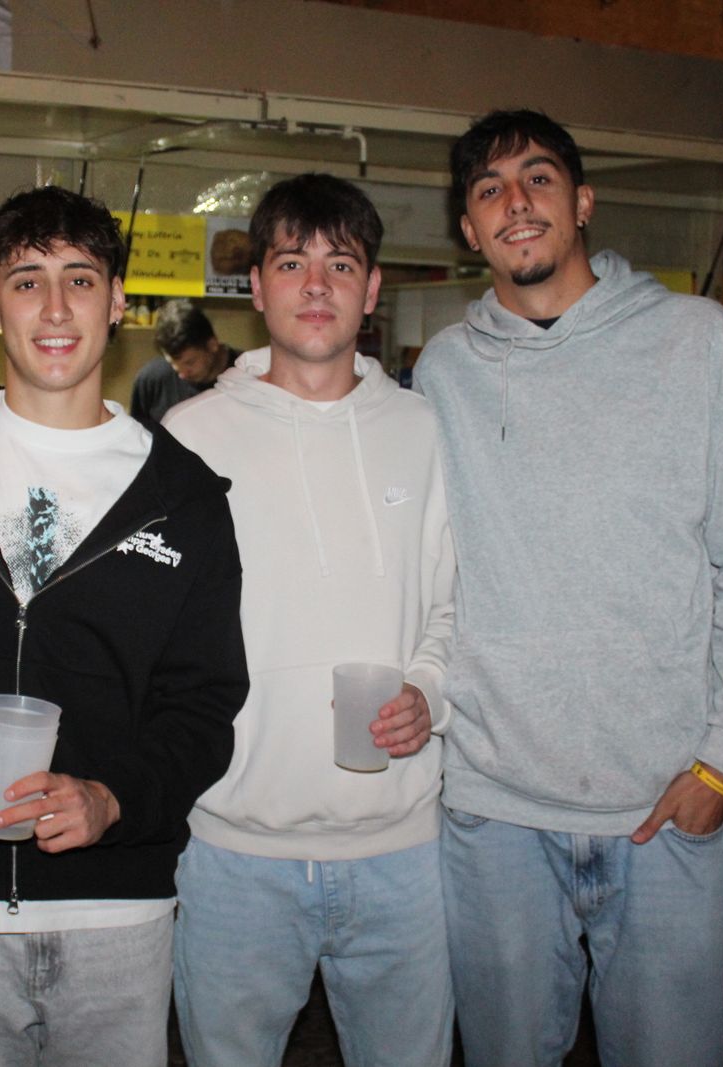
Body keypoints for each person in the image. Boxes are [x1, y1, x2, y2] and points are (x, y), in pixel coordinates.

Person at [413, 109, 723, 1067]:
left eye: (539, 178)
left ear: (583, 202)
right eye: (490, 189)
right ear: (469, 229)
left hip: (663, 807)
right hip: (494, 812)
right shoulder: (442, 374)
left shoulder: (697, 343)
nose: (517, 202)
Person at [0, 185, 249, 1067]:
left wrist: (114, 797)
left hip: (119, 916)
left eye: (80, 278)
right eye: (27, 281)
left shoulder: (184, 499)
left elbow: (204, 705)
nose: (55, 308)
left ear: (118, 301)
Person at [163, 173, 457, 1067]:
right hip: (233, 855)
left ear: (373, 291)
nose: (317, 284)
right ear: (256, 288)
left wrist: (430, 692)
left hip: (403, 856)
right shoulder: (189, 438)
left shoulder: (423, 428)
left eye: (341, 263)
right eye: (292, 262)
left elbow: (453, 603)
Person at [128, 299, 238, 422]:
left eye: (189, 362)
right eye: (172, 363)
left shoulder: (252, 375)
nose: (182, 374)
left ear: (212, 344)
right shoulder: (151, 381)